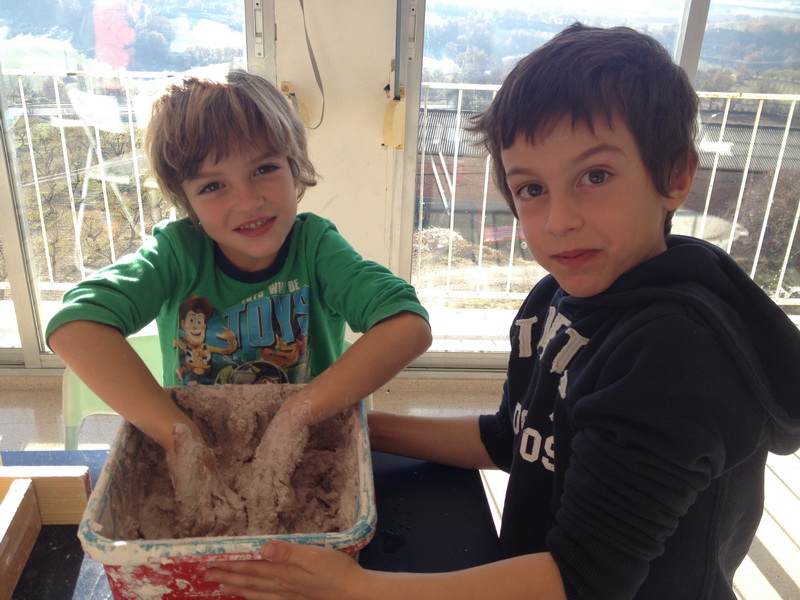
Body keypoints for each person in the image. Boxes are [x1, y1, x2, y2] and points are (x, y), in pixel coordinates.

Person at [204, 23, 800, 600]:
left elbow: (582, 581)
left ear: (674, 176)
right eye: (532, 189)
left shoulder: (674, 359)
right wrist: (353, 425)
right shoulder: (558, 298)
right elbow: (511, 438)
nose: (558, 221)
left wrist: (357, 590)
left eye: (595, 176)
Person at [46, 70, 432, 532]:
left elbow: (408, 325)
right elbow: (75, 327)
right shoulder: (177, 254)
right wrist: (180, 437)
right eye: (212, 186)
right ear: (186, 198)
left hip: (313, 443)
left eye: (264, 169)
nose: (248, 202)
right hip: (200, 446)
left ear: (295, 166)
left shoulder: (316, 249)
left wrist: (297, 415)